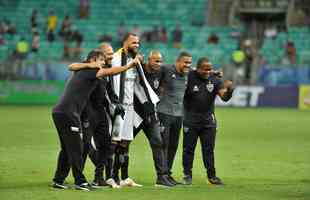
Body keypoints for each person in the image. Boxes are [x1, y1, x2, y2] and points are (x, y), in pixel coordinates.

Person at [51, 49, 138, 191]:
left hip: (60, 112)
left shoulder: (81, 70)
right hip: (68, 113)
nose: (103, 63)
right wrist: (129, 66)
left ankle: (58, 180)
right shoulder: (92, 71)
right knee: (76, 148)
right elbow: (111, 72)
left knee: (67, 149)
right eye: (101, 60)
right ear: (93, 60)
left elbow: (72, 66)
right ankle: (80, 181)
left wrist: (89, 65)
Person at [67, 43, 125, 188]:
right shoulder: (90, 68)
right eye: (109, 54)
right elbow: (72, 66)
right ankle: (78, 178)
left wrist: (116, 103)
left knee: (105, 145)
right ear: (101, 55)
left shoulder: (105, 70)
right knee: (85, 146)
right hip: (87, 111)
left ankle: (98, 177)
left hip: (100, 111)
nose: (112, 56)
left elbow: (109, 90)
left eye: (112, 53)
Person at [111, 33, 160, 187]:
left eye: (138, 43)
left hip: (130, 108)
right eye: (134, 42)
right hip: (117, 107)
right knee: (114, 143)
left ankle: (124, 177)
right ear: (125, 42)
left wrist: (148, 103)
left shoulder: (135, 60)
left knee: (125, 142)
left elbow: (139, 84)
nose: (137, 45)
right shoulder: (115, 59)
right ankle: (110, 177)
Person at [182, 57, 233, 185]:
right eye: (204, 69)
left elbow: (224, 97)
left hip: (208, 121)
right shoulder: (189, 76)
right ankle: (187, 175)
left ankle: (212, 176)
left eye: (209, 69)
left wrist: (230, 90)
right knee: (188, 149)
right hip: (190, 120)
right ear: (197, 68)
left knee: (208, 150)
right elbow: (184, 69)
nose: (207, 72)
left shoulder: (215, 80)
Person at [133, 50, 175, 187]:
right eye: (156, 60)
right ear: (148, 60)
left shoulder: (161, 72)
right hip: (135, 113)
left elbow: (184, 69)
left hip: (150, 114)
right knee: (122, 144)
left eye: (160, 61)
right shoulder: (138, 68)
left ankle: (162, 177)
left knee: (158, 141)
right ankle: (112, 174)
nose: (159, 63)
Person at [157, 51, 192, 184]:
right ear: (178, 62)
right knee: (164, 144)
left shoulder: (189, 74)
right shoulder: (166, 69)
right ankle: (162, 175)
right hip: (164, 112)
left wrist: (214, 73)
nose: (188, 65)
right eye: (185, 62)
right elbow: (153, 76)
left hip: (178, 114)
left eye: (189, 62)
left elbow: (203, 72)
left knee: (173, 145)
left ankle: (168, 173)